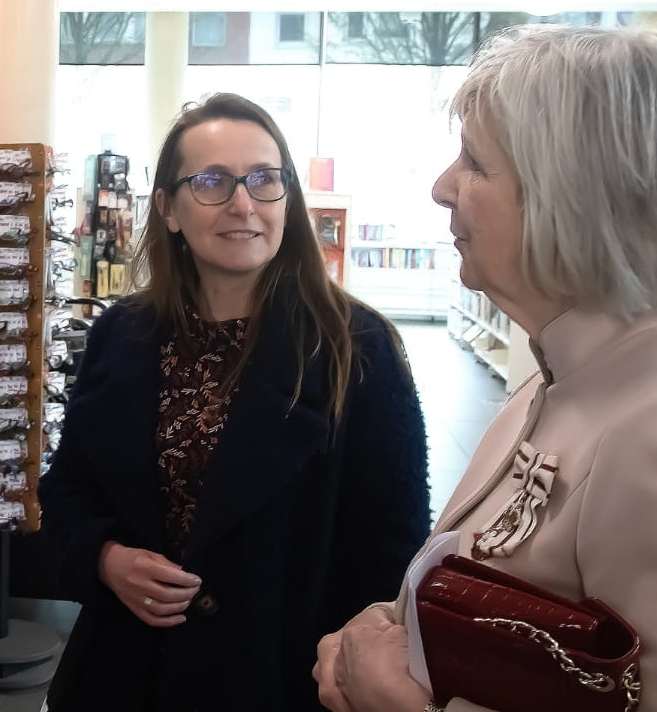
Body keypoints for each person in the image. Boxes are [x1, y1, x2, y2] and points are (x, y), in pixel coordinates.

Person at [313, 26, 657, 712]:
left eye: (476, 163)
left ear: (578, 196)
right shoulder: (556, 383)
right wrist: (382, 633)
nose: (442, 187)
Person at [39, 93, 431, 712]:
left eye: (264, 180)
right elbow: (67, 490)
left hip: (281, 676)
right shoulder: (122, 334)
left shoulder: (356, 347)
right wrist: (105, 558)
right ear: (168, 208)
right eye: (213, 182)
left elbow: (391, 553)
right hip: (123, 672)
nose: (243, 203)